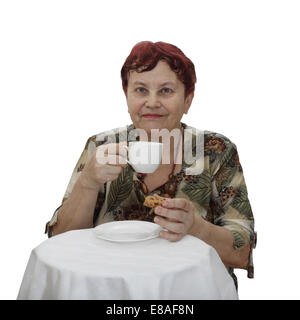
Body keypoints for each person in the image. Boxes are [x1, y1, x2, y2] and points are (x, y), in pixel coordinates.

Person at [45, 41, 256, 290]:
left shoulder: (216, 151)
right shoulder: (100, 146)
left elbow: (241, 254)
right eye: (141, 90)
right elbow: (60, 241)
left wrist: (196, 227)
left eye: (166, 91)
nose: (152, 102)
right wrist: (88, 183)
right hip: (106, 289)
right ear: (127, 96)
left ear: (188, 100)